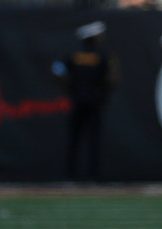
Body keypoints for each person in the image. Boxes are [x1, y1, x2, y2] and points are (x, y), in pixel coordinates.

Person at [51, 21, 119, 182]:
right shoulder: (103, 55)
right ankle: (93, 175)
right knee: (93, 139)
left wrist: (70, 87)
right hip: (95, 101)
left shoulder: (73, 54)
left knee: (74, 138)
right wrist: (102, 92)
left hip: (78, 99)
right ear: (94, 38)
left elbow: (56, 70)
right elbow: (112, 78)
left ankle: (70, 174)